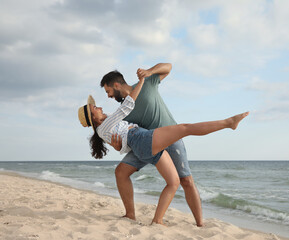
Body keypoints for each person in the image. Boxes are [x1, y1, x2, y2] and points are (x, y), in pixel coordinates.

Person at [78, 76, 249, 225]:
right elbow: (127, 106)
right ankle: (228, 123)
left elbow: (124, 145)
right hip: (142, 139)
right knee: (184, 128)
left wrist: (119, 146)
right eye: (95, 108)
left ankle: (154, 220)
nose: (99, 107)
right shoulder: (106, 125)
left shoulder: (103, 128)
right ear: (93, 117)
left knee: (174, 182)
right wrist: (142, 81)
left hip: (141, 144)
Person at [100, 63, 210, 226]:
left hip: (170, 137)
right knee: (121, 172)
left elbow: (169, 67)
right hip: (146, 142)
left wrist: (149, 71)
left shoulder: (146, 83)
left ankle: (200, 223)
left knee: (186, 180)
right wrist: (117, 146)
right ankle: (130, 214)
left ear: (116, 85)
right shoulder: (124, 109)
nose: (108, 96)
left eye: (108, 91)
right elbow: (127, 135)